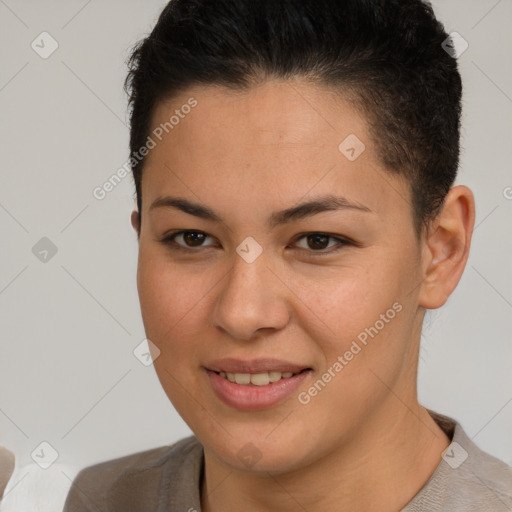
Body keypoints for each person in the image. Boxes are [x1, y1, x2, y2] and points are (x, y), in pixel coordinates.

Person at [64, 0, 512, 510]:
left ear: (441, 250)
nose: (242, 313)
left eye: (317, 241)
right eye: (192, 238)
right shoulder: (100, 500)